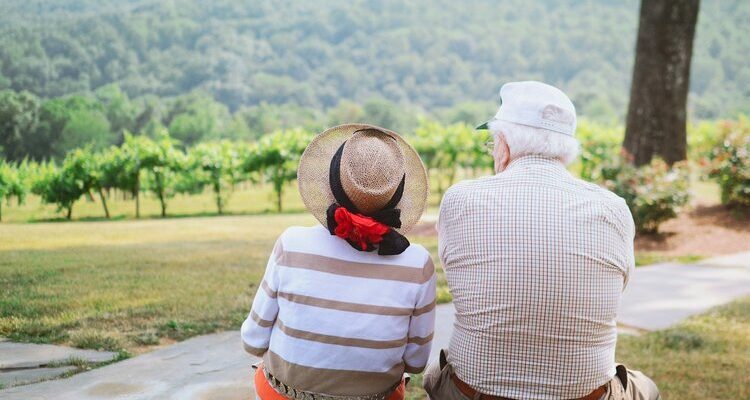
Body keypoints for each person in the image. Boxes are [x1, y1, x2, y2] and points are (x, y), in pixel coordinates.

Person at [424, 81, 659, 400]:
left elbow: (460, 278)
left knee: (435, 374)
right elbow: (619, 286)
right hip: (584, 395)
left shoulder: (460, 200)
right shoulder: (613, 209)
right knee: (647, 389)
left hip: (475, 393)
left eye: (493, 141)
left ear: (503, 144)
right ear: (566, 149)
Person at [242, 124, 437, 400]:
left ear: (331, 184)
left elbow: (253, 340)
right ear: (397, 194)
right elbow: (416, 362)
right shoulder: (417, 264)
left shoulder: (291, 244)